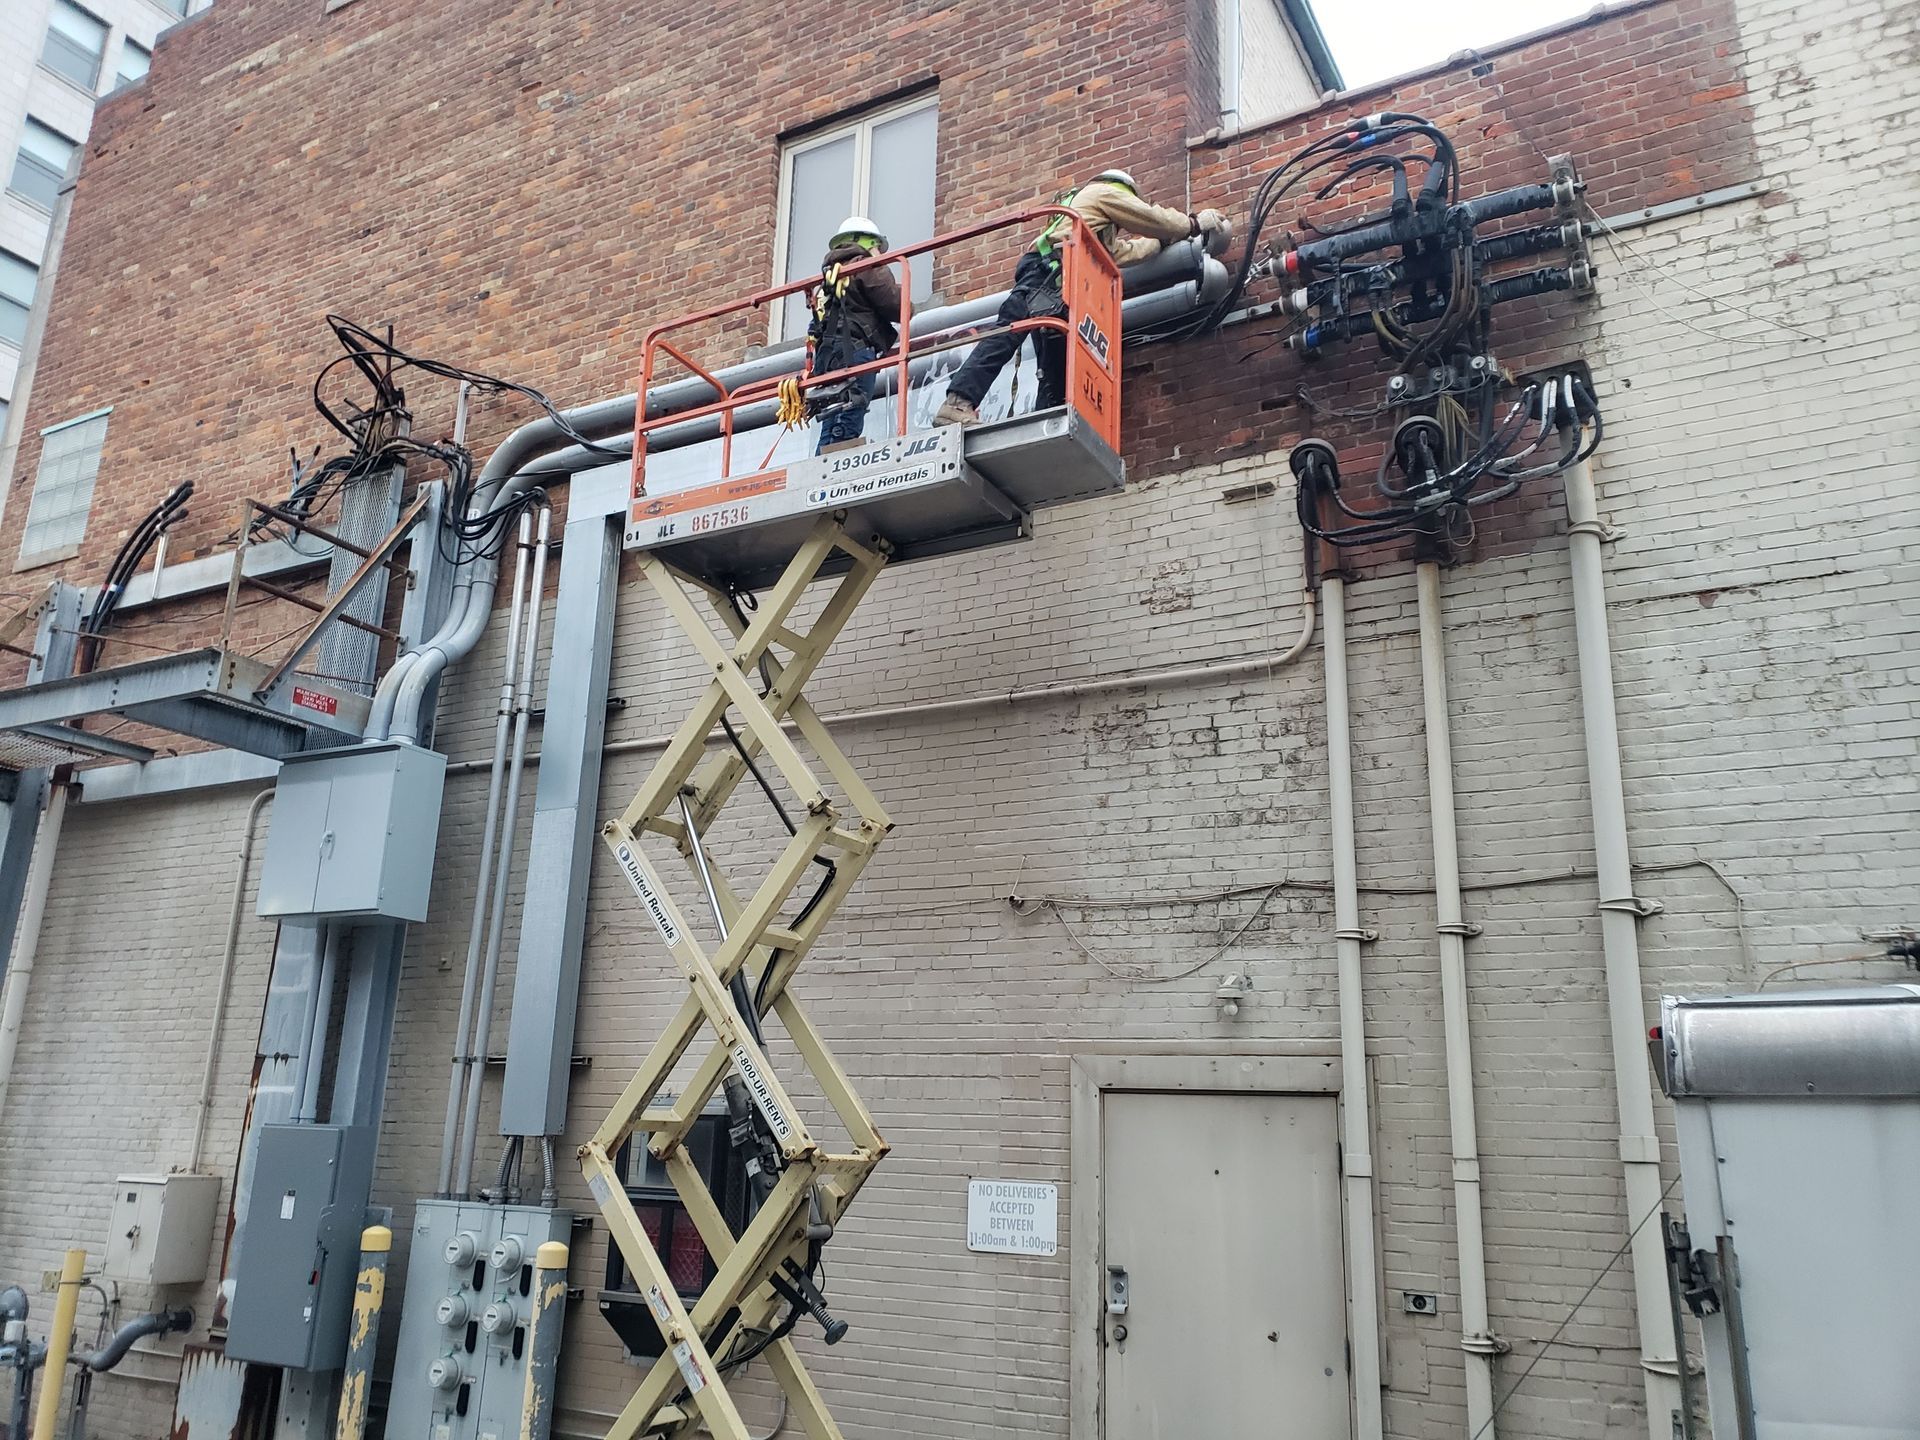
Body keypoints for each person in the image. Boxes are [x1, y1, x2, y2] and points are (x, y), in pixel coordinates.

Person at [933, 169, 1229, 426]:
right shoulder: (1105, 192)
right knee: (1007, 334)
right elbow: (1151, 218)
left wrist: (1160, 242)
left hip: (1053, 282)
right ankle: (958, 403)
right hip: (1048, 276)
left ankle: (1049, 416)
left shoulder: (1089, 218)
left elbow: (1122, 253)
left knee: (1055, 355)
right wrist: (1192, 224)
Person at [806, 217, 903, 453]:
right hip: (853, 352)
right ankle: (832, 471)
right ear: (870, 242)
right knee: (847, 414)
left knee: (833, 416)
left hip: (828, 356)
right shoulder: (865, 266)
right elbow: (895, 304)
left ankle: (823, 464)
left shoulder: (829, 276)